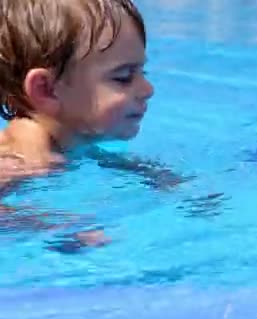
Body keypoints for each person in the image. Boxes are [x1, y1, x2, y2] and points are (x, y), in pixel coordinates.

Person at [0, 0, 184, 250]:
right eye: (123, 78)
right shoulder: (22, 158)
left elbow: (100, 159)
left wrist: (160, 177)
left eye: (143, 73)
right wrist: (53, 227)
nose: (147, 90)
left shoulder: (71, 141)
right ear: (47, 90)